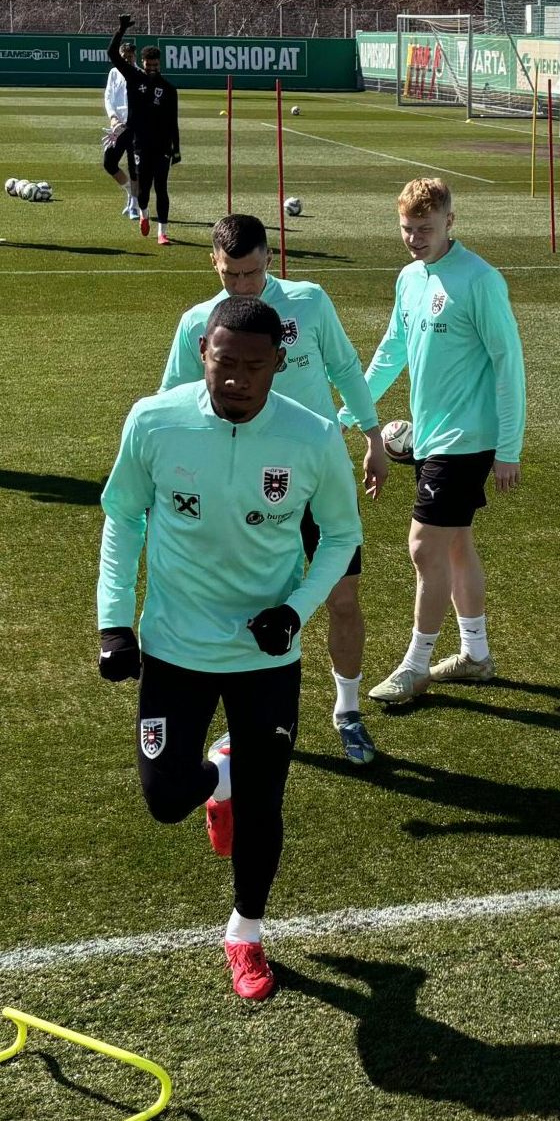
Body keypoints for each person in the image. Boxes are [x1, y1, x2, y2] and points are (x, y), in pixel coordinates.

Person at [97, 294, 362, 1001]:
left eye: (253, 366)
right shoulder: (154, 420)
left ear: (279, 364)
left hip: (264, 657)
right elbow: (122, 513)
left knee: (266, 804)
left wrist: (295, 611)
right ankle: (219, 777)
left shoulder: (311, 437)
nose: (236, 379)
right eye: (223, 363)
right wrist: (113, 622)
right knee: (163, 799)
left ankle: (245, 932)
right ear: (201, 357)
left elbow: (341, 535)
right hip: (176, 648)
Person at [159, 213, 390, 764]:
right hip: (238, 489)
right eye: (230, 276)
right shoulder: (198, 323)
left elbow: (345, 366)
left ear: (271, 259)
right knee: (247, 601)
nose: (242, 287)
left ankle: (347, 710)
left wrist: (374, 436)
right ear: (213, 265)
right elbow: (168, 403)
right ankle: (246, 718)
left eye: (252, 274)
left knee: (342, 597)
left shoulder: (309, 302)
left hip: (318, 478)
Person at [356, 178, 526, 704]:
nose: (414, 238)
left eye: (424, 229)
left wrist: (508, 447)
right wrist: (352, 411)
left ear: (450, 222)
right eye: (407, 229)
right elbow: (391, 351)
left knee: (422, 544)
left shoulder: (480, 280)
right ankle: (476, 655)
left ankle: (415, 665)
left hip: (467, 439)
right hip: (431, 436)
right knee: (455, 545)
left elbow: (508, 363)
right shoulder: (409, 278)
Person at [108, 14, 180, 245]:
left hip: (162, 145)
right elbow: (112, 54)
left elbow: (173, 120)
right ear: (143, 63)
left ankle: (163, 232)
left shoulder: (169, 89)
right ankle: (144, 214)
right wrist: (121, 30)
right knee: (145, 187)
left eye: (156, 66)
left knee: (162, 187)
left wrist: (176, 148)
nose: (152, 69)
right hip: (140, 142)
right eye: (149, 65)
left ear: (160, 64)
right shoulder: (133, 76)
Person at [103, 43, 139, 220]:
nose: (127, 59)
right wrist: (113, 118)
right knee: (109, 162)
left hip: (135, 127)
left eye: (130, 56)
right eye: (124, 56)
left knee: (135, 167)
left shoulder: (140, 74)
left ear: (135, 56)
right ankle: (129, 193)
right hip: (117, 126)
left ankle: (134, 204)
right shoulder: (114, 73)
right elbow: (109, 97)